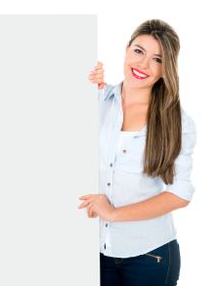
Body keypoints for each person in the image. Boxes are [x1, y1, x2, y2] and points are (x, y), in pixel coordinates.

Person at [79, 19, 196, 286]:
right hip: (98, 251)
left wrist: (113, 213)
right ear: (126, 49)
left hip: (151, 255)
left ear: (166, 69)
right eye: (139, 51)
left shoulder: (176, 122)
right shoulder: (99, 100)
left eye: (157, 59)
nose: (143, 64)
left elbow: (179, 194)